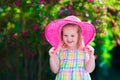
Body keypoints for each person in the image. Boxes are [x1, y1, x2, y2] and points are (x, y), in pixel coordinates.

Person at [45, 15, 95, 80]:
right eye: (65, 35)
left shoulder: (84, 50)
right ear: (61, 35)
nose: (69, 38)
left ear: (79, 36)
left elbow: (89, 69)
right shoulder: (59, 50)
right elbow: (55, 70)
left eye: (72, 35)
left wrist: (91, 56)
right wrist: (52, 57)